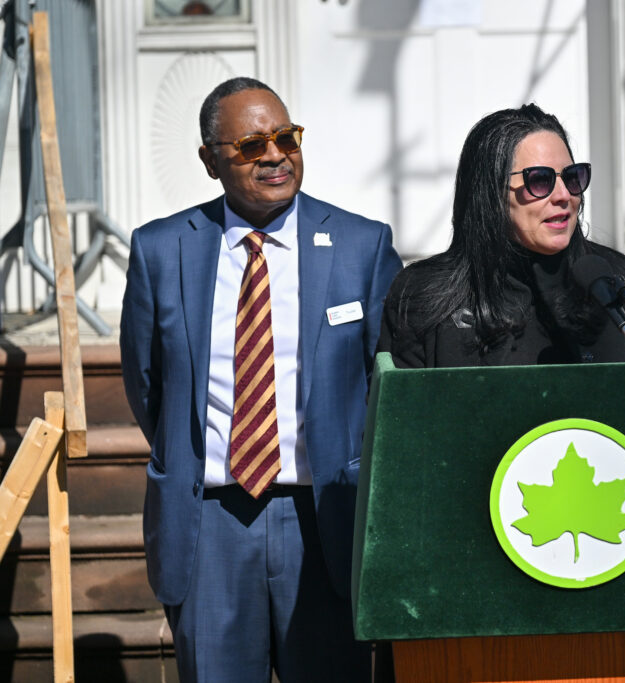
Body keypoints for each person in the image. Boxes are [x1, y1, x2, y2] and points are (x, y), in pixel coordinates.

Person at [120, 76, 402, 682]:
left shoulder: (361, 245)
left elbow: (388, 384)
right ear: (210, 161)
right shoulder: (160, 249)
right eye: (251, 146)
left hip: (327, 520)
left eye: (286, 137)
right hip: (210, 523)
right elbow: (148, 386)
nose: (275, 155)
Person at [378, 103, 625, 366]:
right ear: (490, 194)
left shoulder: (613, 279)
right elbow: (401, 415)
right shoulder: (423, 294)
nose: (564, 195)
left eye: (572, 176)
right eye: (540, 180)